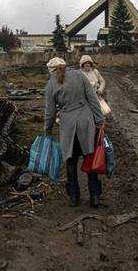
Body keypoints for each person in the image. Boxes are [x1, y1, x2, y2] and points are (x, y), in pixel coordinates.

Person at [44, 57, 105, 208]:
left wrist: (47, 129)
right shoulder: (79, 75)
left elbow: (50, 112)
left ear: (51, 71)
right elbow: (92, 99)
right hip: (86, 121)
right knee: (90, 159)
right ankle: (95, 196)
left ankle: (74, 198)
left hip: (68, 126)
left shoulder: (51, 83)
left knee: (70, 162)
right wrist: (99, 120)